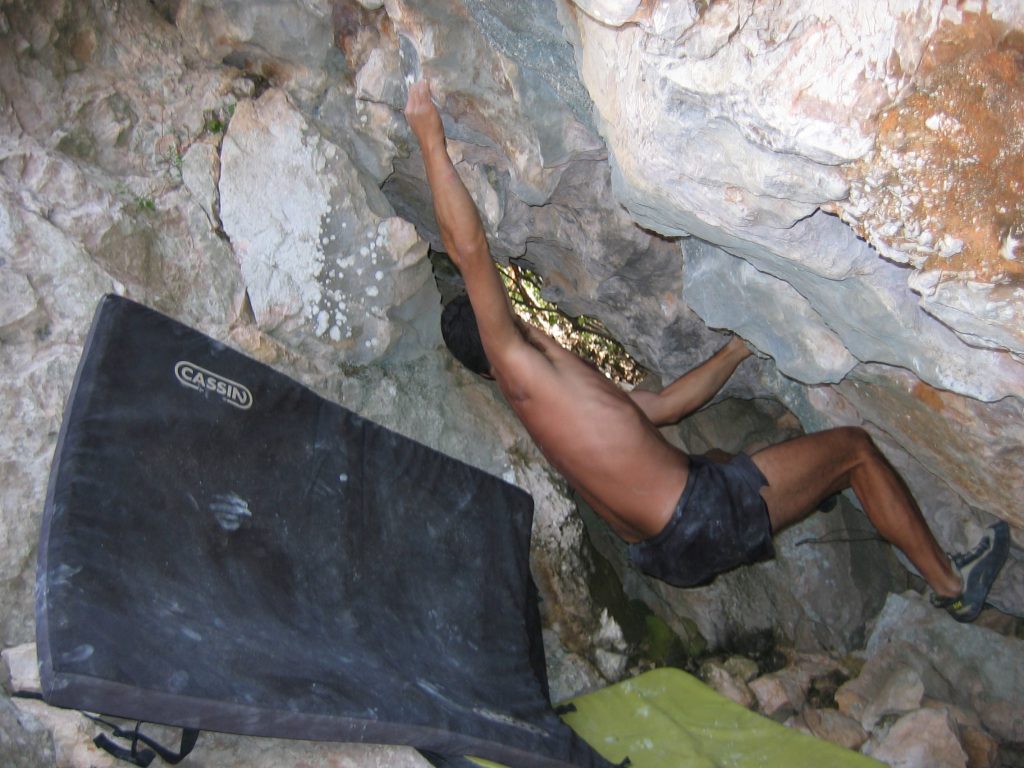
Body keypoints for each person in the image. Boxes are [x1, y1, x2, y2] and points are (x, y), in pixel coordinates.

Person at [403, 79, 1009, 623]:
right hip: (700, 517)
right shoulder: (516, 362)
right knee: (855, 451)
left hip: (665, 552)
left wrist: (736, 352)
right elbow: (469, 249)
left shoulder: (546, 399)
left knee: (720, 457)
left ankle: (809, 487)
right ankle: (952, 585)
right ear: (494, 329)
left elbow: (663, 408)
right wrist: (430, 137)